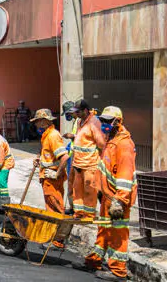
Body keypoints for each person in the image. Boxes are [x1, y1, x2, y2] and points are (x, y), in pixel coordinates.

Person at [73, 106, 136, 281]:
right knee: (104, 230)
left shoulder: (124, 144)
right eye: (103, 120)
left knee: (118, 233)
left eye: (109, 121)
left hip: (118, 199)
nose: (105, 124)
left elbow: (125, 174)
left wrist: (119, 200)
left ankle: (118, 271)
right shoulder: (111, 139)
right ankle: (95, 260)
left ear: (118, 122)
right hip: (108, 196)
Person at [31, 109, 70, 249]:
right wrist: (39, 160)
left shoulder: (53, 136)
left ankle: (57, 241)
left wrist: (57, 174)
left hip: (53, 179)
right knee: (50, 208)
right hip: (47, 178)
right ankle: (52, 238)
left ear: (45, 121)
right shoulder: (46, 136)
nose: (36, 125)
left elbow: (64, 157)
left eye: (37, 122)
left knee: (56, 208)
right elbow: (48, 156)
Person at [68, 99, 106, 219]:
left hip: (90, 164)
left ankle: (89, 214)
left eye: (78, 112)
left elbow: (101, 144)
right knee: (77, 191)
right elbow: (82, 139)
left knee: (90, 191)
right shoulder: (80, 122)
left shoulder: (94, 123)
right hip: (78, 163)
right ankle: (79, 213)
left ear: (85, 110)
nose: (76, 114)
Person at [62, 101, 80, 215]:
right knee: (70, 183)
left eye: (67, 113)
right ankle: (73, 207)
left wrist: (72, 136)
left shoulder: (80, 121)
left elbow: (84, 136)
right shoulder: (75, 121)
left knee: (75, 183)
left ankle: (77, 209)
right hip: (72, 153)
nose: (67, 116)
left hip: (77, 156)